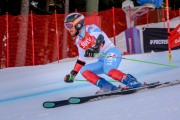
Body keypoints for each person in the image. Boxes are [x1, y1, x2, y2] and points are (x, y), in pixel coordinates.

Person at [64, 13, 142, 93]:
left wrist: (94, 48)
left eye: (69, 25)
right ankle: (107, 87)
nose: (68, 29)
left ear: (78, 24)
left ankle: (131, 81)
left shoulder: (91, 28)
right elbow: (81, 60)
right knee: (84, 70)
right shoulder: (78, 41)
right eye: (66, 26)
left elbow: (100, 37)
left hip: (111, 52)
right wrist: (72, 74)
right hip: (102, 60)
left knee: (108, 69)